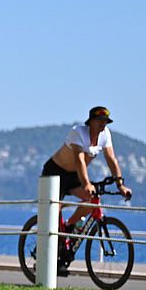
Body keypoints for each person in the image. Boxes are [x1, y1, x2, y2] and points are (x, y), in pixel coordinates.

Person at [41, 106, 133, 270]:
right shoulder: (78, 132)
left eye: (105, 122)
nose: (103, 125)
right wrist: (86, 184)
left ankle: (69, 225)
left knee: (91, 200)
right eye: (99, 121)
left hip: (74, 176)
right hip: (55, 172)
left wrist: (120, 185)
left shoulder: (105, 136)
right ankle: (47, 257)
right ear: (90, 122)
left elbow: (111, 159)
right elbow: (79, 160)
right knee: (54, 213)